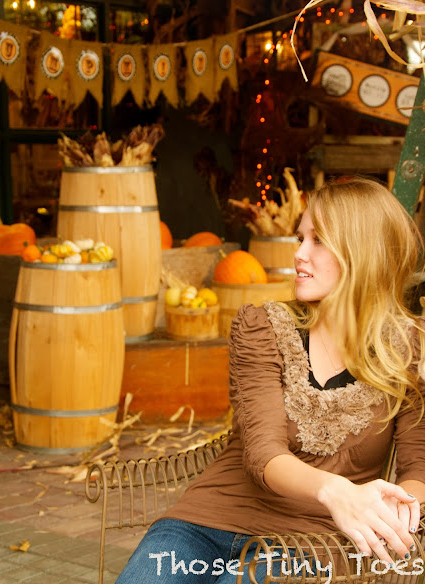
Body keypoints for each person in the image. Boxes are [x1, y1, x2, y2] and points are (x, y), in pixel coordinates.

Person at [116, 177, 425, 583]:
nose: (299, 253)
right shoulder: (262, 327)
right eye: (301, 238)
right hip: (211, 519)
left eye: (318, 241)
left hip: (313, 541)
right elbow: (263, 453)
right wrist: (338, 491)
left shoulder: (409, 349)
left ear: (364, 251)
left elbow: (418, 464)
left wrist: (401, 507)